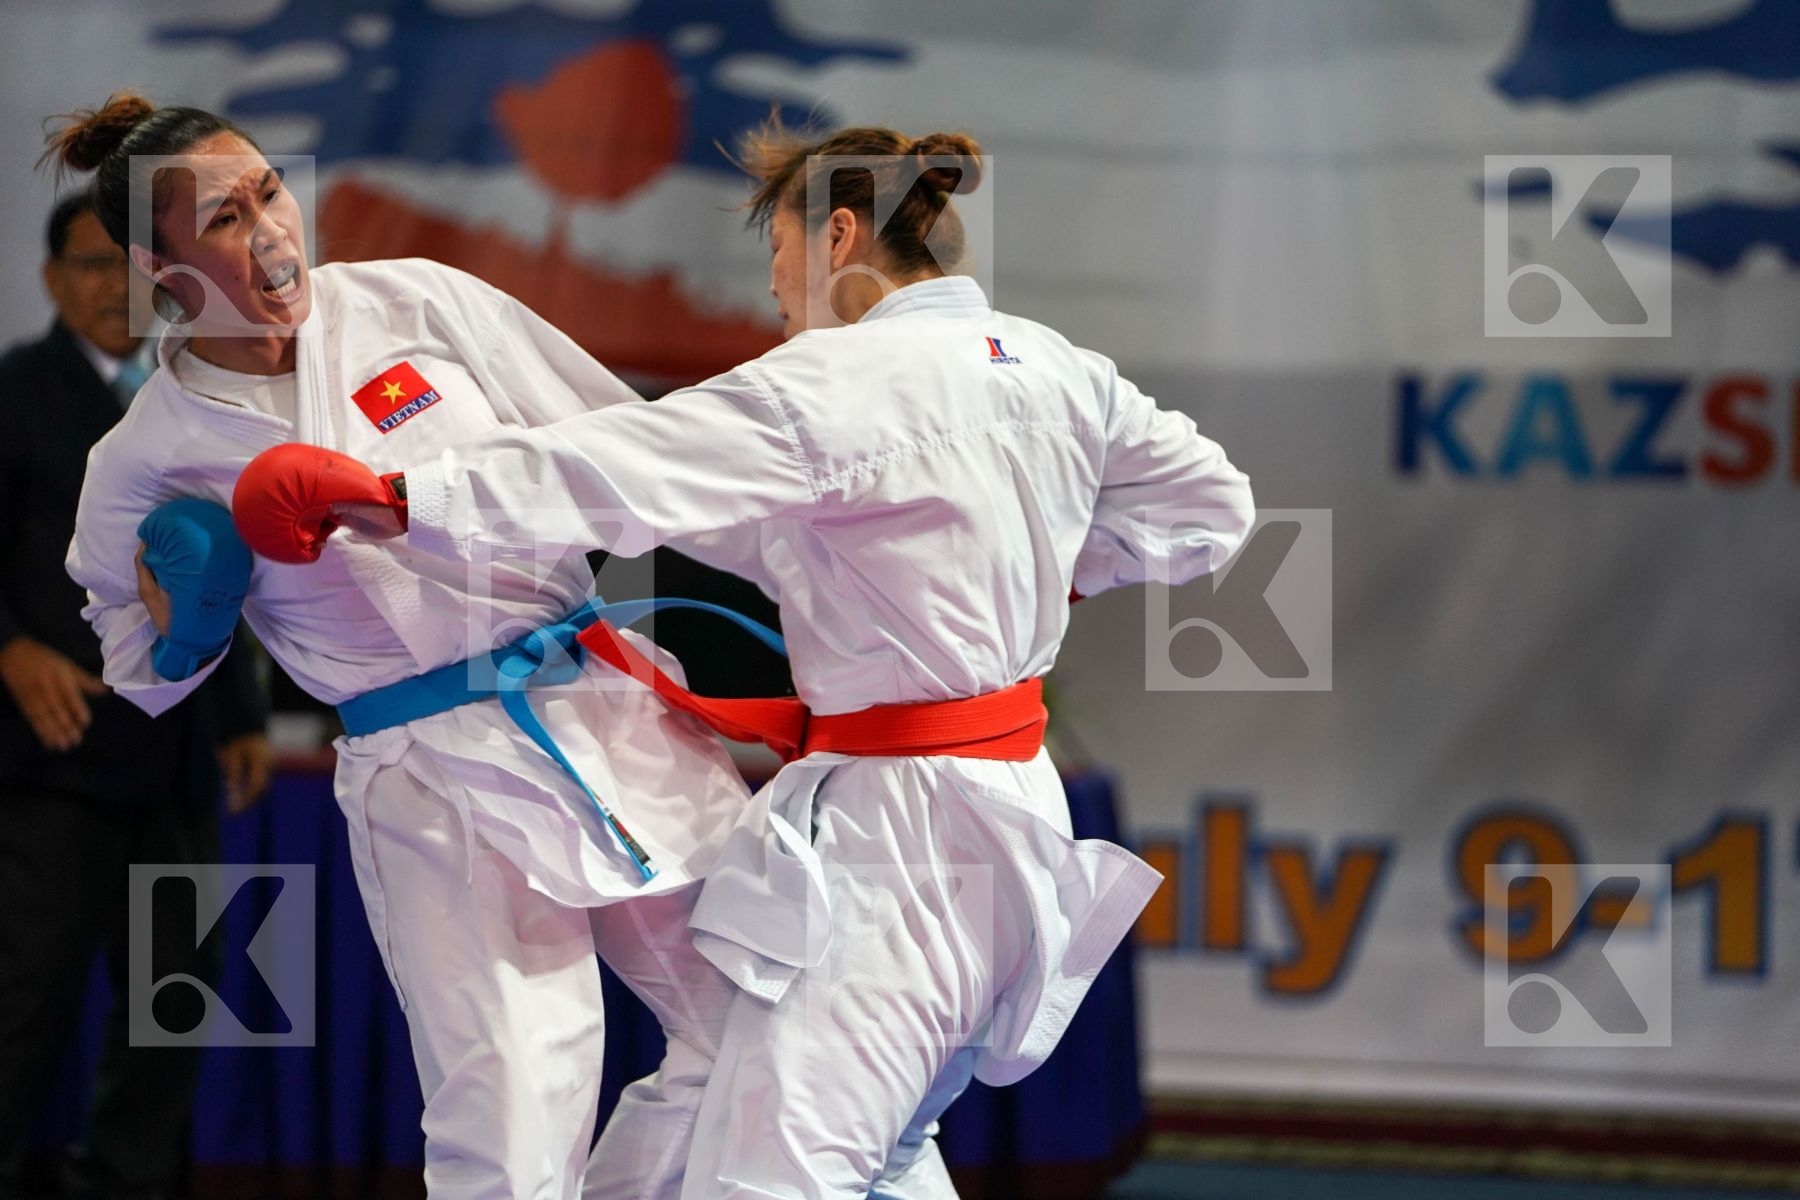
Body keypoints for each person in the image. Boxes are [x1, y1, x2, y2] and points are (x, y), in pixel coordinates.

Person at [234, 121, 1256, 1199]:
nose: (773, 287)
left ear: (840, 236)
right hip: (1014, 815)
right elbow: (1212, 510)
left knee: (771, 1179)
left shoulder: (829, 384)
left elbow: (614, 469)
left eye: (778, 252)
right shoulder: (1059, 366)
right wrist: (1061, 569)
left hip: (905, 840)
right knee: (811, 1134)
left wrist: (399, 499)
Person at [44, 93, 774, 1200]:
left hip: (603, 704)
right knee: (514, 1118)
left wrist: (826, 568)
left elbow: (624, 452)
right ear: (159, 262)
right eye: (229, 220)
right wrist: (186, 619)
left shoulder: (417, 302)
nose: (275, 231)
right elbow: (133, 666)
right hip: (431, 778)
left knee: (768, 1035)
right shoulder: (143, 456)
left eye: (272, 192)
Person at [0, 193, 271, 1200]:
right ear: (49, 281)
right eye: (88, 266)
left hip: (182, 759)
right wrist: (11, 651)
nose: (115, 288)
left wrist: (242, 716)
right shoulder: (16, 393)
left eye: (131, 266)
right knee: (25, 998)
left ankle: (128, 1183)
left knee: (177, 1000)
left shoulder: (199, 399)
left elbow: (230, 571)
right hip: (54, 758)